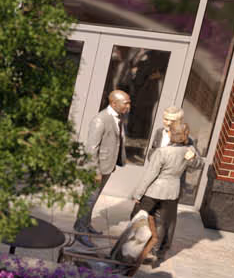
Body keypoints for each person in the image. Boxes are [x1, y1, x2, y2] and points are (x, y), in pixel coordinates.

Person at [131, 120, 204, 266]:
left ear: (171, 134)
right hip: (172, 191)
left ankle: (135, 248)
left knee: (137, 217)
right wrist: (194, 158)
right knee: (163, 223)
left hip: (154, 190)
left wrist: (138, 194)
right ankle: (155, 253)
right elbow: (199, 164)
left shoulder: (162, 152)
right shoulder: (188, 150)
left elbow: (150, 175)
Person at [74, 89, 131, 241]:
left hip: (107, 166)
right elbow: (91, 149)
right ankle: (80, 232)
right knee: (89, 199)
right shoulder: (100, 120)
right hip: (98, 169)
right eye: (126, 103)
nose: (128, 106)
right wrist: (95, 171)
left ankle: (85, 225)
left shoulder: (118, 117)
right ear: (113, 103)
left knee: (93, 198)